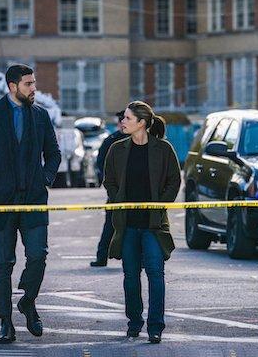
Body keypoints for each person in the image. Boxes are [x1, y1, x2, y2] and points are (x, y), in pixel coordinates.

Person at [0, 64, 61, 344]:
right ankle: (5, 322)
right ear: (12, 86)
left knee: (38, 256)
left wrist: (45, 178)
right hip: (2, 200)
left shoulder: (41, 115)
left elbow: (53, 153)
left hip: (33, 199)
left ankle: (28, 301)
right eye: (28, 84)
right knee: (3, 263)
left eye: (34, 83)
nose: (34, 88)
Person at [103, 101, 181, 344]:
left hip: (153, 226)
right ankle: (134, 322)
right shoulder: (117, 149)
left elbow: (174, 181)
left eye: (127, 118)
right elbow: (110, 180)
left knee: (156, 274)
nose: (122, 122)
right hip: (127, 225)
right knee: (130, 276)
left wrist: (160, 205)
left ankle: (155, 326)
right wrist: (117, 200)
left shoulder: (163, 149)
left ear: (142, 123)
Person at [90, 110, 128, 267]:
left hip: (132, 190)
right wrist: (110, 184)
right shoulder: (111, 141)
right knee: (110, 224)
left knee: (133, 228)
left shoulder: (138, 140)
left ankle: (133, 259)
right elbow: (101, 164)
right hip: (116, 190)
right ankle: (102, 257)